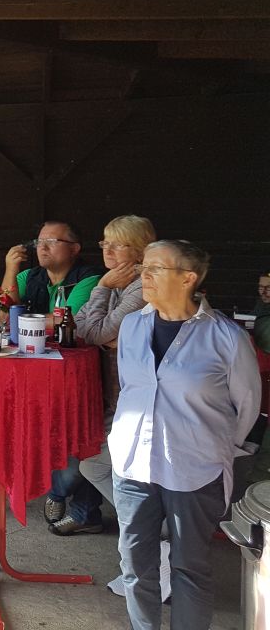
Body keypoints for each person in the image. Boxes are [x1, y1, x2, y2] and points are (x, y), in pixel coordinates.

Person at [110, 240, 260, 630]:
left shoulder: (226, 337)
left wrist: (210, 446)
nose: (145, 274)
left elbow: (246, 405)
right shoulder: (132, 325)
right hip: (133, 464)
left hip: (195, 468)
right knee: (134, 565)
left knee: (189, 566)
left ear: (188, 278)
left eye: (157, 268)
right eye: (145, 265)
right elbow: (131, 386)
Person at [50, 215, 156, 536]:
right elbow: (76, 327)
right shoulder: (116, 283)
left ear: (139, 251)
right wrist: (101, 329)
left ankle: (146, 526)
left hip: (137, 402)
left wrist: (100, 288)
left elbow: (92, 330)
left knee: (93, 464)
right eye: (104, 242)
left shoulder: (141, 288)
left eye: (117, 244)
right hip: (113, 393)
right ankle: (138, 524)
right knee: (88, 458)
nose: (108, 250)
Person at [2, 220, 102, 528]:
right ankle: (66, 499)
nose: (41, 247)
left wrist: (17, 317)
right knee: (43, 436)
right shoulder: (28, 275)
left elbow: (65, 321)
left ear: (74, 249)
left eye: (52, 241)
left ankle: (64, 498)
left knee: (80, 441)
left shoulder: (89, 278)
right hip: (34, 374)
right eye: (38, 241)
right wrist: (9, 266)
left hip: (76, 374)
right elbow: (2, 305)